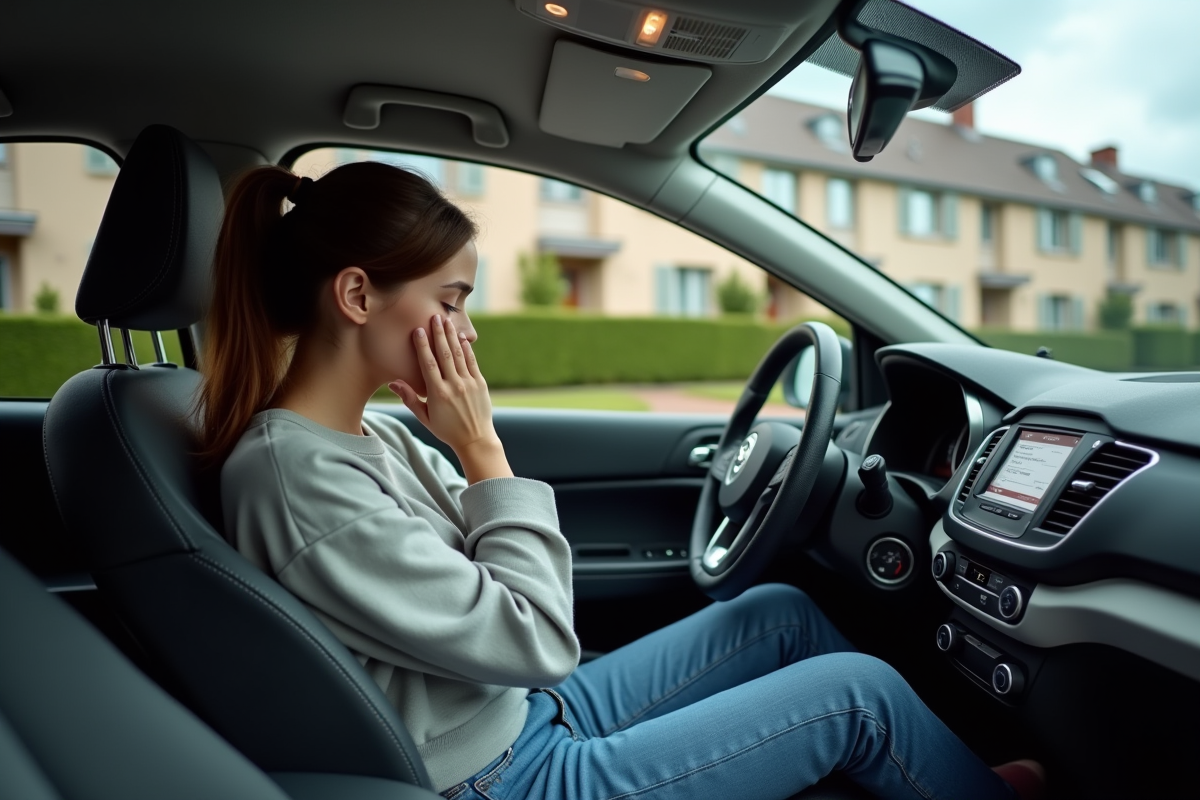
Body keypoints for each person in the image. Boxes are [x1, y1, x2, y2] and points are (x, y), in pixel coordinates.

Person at [200, 161, 1045, 800]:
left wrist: (466, 457)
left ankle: (942, 776)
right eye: (451, 300)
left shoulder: (372, 434)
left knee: (778, 614)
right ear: (355, 295)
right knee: (857, 697)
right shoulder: (296, 477)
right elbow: (532, 634)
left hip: (522, 710)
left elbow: (497, 604)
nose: (468, 330)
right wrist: (483, 452)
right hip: (502, 775)